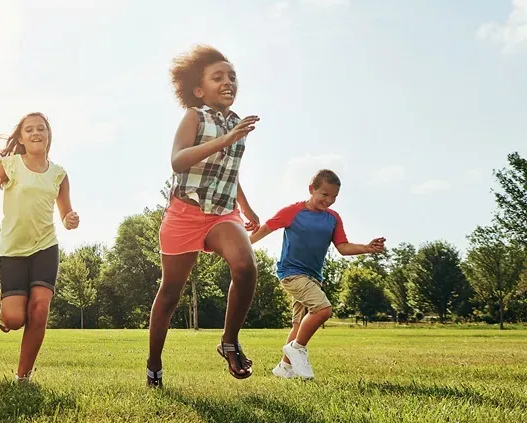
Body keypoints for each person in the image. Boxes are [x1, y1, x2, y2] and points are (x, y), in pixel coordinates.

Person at [147, 45, 261, 388]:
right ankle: (154, 364)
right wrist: (226, 138)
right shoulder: (195, 116)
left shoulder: (236, 123)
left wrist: (249, 207)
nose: (228, 81)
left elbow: (228, 170)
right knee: (170, 293)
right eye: (218, 77)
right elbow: (178, 160)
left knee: (245, 266)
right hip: (185, 213)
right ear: (200, 90)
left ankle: (229, 340)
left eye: (232, 76)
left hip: (223, 214)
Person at [249, 169, 386, 380]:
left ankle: (284, 368)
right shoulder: (293, 211)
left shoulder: (333, 219)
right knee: (323, 309)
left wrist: (368, 248)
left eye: (334, 197)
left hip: (314, 277)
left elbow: (343, 247)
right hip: (291, 273)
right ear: (311, 189)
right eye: (324, 194)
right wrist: (238, 246)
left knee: (299, 323)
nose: (329, 200)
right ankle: (297, 349)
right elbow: (265, 229)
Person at [0, 112, 79, 382]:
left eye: (41, 129)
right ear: (21, 137)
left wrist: (70, 219)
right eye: (30, 129)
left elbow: (65, 215)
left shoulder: (59, 174)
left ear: (48, 135)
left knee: (40, 309)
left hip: (45, 246)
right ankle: (12, 312)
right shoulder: (11, 164)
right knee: (15, 318)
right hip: (13, 249)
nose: (36, 133)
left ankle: (23, 376)